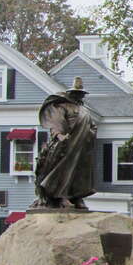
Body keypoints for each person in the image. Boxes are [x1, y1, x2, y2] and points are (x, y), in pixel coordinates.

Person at [32, 77, 97, 209]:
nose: (79, 96)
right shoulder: (61, 106)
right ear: (71, 93)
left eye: (81, 94)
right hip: (68, 145)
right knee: (64, 170)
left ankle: (77, 196)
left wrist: (90, 135)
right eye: (77, 93)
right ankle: (61, 196)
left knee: (81, 172)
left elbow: (92, 126)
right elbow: (56, 123)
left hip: (82, 146)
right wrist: (60, 135)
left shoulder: (84, 110)